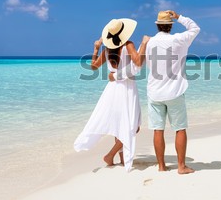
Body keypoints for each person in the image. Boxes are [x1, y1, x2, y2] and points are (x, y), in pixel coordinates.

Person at [74, 18, 149, 171]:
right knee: (132, 126)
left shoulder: (107, 49)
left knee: (118, 123)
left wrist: (95, 48)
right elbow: (138, 62)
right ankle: (110, 155)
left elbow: (94, 67)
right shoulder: (128, 44)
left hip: (112, 88)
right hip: (126, 88)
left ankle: (121, 158)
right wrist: (144, 44)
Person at [146, 10, 200, 174]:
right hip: (175, 92)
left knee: (158, 130)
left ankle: (162, 166)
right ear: (170, 26)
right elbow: (195, 28)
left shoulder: (150, 43)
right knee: (180, 129)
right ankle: (181, 166)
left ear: (157, 26)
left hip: (154, 91)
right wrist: (179, 17)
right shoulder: (178, 39)